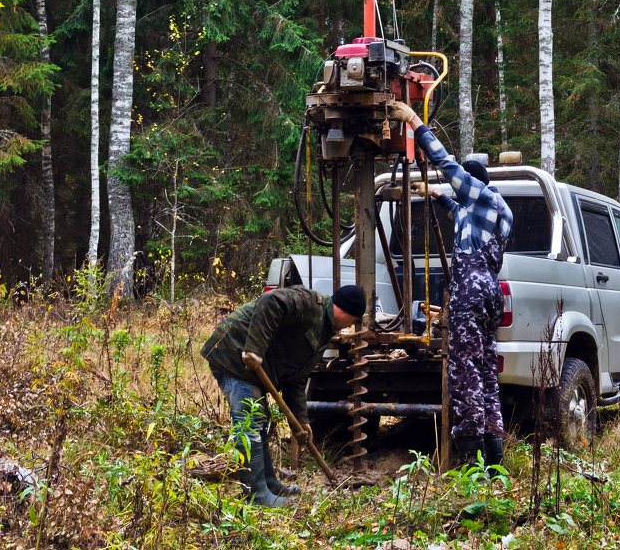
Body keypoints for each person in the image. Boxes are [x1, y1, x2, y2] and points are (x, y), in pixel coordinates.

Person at [390, 100, 513, 472]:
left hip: (471, 292)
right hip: (488, 292)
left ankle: (471, 460)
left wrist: (415, 122)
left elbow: (447, 165)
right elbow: (453, 208)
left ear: (474, 185)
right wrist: (427, 191)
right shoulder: (483, 212)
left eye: (463, 187)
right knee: (485, 371)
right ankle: (494, 461)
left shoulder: (483, 197)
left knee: (463, 371)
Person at [201, 284, 365, 506]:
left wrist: (301, 422)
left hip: (251, 366)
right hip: (234, 351)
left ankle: (268, 483)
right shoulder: (309, 303)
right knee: (250, 423)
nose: (350, 327)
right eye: (353, 321)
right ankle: (257, 495)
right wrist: (255, 349)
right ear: (346, 312)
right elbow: (271, 301)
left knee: (260, 422)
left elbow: (296, 378)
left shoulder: (324, 330)